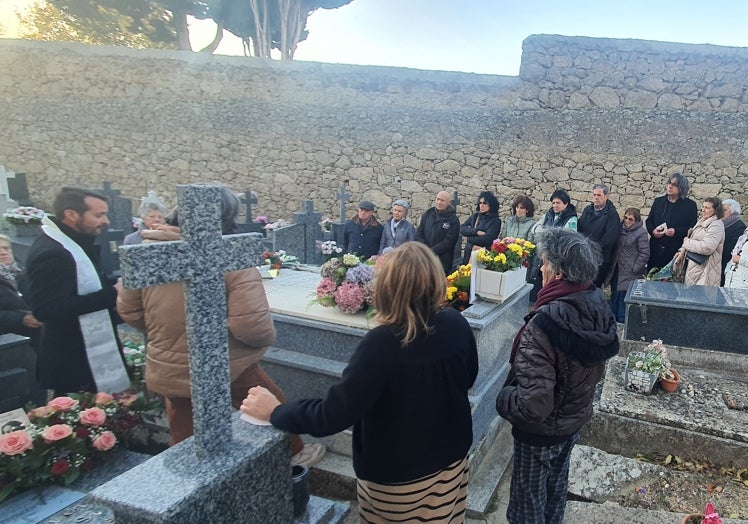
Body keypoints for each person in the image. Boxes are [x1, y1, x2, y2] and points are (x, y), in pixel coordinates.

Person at [242, 242, 478, 523]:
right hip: (452, 462)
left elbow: (334, 414)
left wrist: (276, 411)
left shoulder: (383, 344)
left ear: (387, 287)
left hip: (401, 482)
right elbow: (468, 378)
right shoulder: (456, 323)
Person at [116, 187, 324, 467]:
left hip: (170, 363)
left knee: (184, 429)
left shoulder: (148, 251)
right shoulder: (228, 256)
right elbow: (252, 326)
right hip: (225, 361)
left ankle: (185, 480)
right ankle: (294, 454)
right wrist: (262, 340)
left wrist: (167, 335)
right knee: (271, 403)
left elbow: (130, 311)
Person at [496, 228, 619, 524]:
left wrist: (502, 398)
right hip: (571, 421)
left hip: (539, 434)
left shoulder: (545, 324)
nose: (541, 268)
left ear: (560, 272)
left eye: (545, 262)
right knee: (553, 495)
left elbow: (532, 405)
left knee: (528, 507)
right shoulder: (596, 306)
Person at [25, 187, 129, 396]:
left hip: (83, 352)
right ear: (71, 215)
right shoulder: (52, 253)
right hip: (72, 358)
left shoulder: (75, 243)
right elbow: (46, 310)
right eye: (98, 215)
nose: (106, 221)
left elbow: (88, 284)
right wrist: (112, 294)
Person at [645, 173, 698, 272]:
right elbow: (649, 221)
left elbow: (692, 229)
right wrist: (653, 231)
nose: (670, 186)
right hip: (655, 249)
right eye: (669, 183)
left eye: (675, 185)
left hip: (674, 251)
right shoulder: (658, 202)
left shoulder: (690, 206)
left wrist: (676, 232)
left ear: (681, 188)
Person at [530, 189, 578, 299]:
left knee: (551, 286)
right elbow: (535, 229)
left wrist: (547, 232)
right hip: (543, 255)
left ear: (565, 204)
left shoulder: (571, 219)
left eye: (558, 203)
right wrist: (551, 232)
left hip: (557, 258)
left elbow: (566, 236)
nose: (555, 206)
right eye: (553, 203)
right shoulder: (548, 215)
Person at [606, 208, 649, 323]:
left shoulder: (641, 233)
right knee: (615, 292)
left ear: (636, 221)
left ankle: (622, 320)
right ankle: (612, 318)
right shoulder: (620, 228)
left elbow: (645, 253)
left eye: (631, 219)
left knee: (624, 295)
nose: (627, 221)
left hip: (630, 270)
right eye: (625, 218)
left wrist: (635, 268)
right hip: (617, 267)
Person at [577, 184, 620, 287]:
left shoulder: (612, 214)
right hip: (583, 256)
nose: (596, 197)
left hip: (599, 259)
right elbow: (579, 229)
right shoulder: (587, 210)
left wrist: (591, 249)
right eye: (594, 195)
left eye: (599, 195)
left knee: (593, 288)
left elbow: (609, 239)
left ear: (606, 196)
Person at [0, 234, 42, 338]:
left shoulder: (25, 272)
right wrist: (21, 319)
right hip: (10, 336)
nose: (3, 252)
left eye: (6, 248)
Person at [677, 197, 725, 287]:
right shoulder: (702, 221)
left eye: (707, 208)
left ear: (715, 210)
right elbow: (694, 238)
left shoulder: (716, 225)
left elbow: (707, 247)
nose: (703, 210)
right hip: (694, 268)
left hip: (705, 270)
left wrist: (687, 243)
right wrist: (681, 251)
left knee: (699, 298)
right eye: (703, 207)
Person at [416, 190, 460, 274]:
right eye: (438, 199)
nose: (439, 202)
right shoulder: (428, 214)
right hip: (424, 258)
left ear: (449, 202)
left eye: (442, 200)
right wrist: (425, 249)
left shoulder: (453, 220)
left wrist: (432, 251)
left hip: (442, 261)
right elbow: (419, 234)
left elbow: (449, 242)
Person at [460, 191, 501, 264]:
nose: (481, 205)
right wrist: (476, 232)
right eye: (480, 203)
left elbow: (488, 239)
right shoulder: (475, 216)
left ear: (491, 205)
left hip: (481, 257)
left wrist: (469, 238)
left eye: (485, 203)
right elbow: (462, 228)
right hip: (468, 253)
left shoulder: (496, 221)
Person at [720, 199, 746, 285]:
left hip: (725, 264)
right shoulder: (719, 224)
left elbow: (732, 248)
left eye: (725, 210)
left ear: (733, 212)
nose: (722, 212)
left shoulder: (739, 227)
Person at [724, 224, 748, 288]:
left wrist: (740, 259)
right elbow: (734, 256)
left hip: (743, 284)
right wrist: (727, 271)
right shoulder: (744, 236)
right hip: (731, 281)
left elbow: (737, 258)